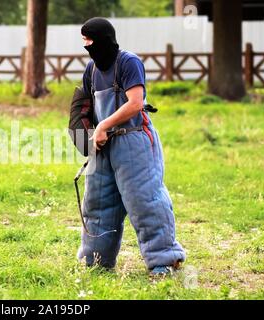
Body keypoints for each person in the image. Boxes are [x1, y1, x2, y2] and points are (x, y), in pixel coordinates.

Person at [77, 17, 186, 276]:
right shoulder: (91, 70)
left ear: (103, 38)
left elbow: (136, 103)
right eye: (83, 41)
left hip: (133, 139)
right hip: (103, 145)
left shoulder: (128, 62)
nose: (86, 46)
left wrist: (104, 125)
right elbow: (84, 104)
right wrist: (85, 132)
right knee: (97, 204)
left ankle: (165, 262)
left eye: (89, 40)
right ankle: (95, 262)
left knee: (144, 201)